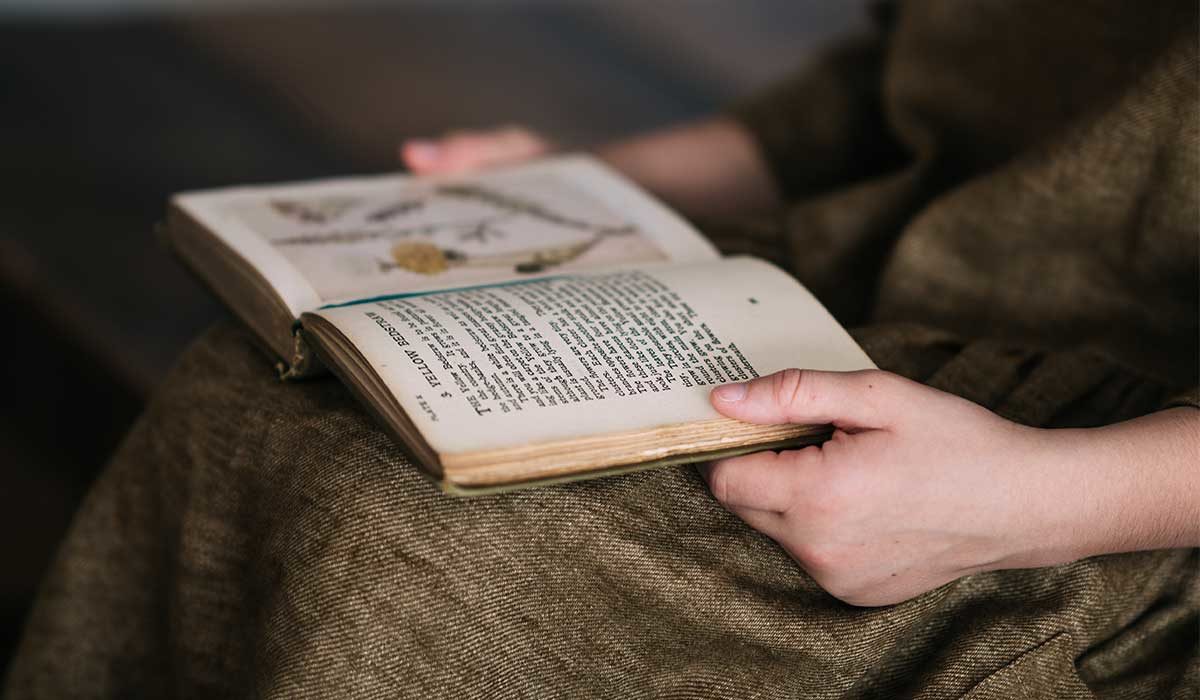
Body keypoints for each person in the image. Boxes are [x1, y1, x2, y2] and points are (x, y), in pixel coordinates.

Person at [6, 1, 1197, 698]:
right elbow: (920, 76)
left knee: (407, 540)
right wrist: (598, 187)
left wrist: (1033, 501)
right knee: (263, 386)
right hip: (843, 271)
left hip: (1110, 477)